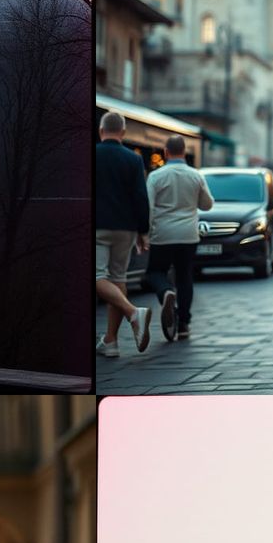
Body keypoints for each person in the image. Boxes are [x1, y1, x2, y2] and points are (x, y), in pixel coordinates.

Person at [94, 111, 152, 360]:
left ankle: (132, 313)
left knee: (96, 277)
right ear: (124, 133)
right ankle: (111, 342)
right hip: (126, 228)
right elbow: (141, 196)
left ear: (100, 130)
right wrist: (143, 231)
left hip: (96, 225)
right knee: (118, 279)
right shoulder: (133, 159)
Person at [144, 134, 212, 342]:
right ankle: (183, 324)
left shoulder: (156, 176)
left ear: (166, 152)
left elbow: (149, 207)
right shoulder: (196, 176)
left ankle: (165, 292)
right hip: (188, 234)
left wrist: (145, 233)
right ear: (184, 151)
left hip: (162, 234)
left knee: (155, 272)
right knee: (184, 277)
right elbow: (207, 204)